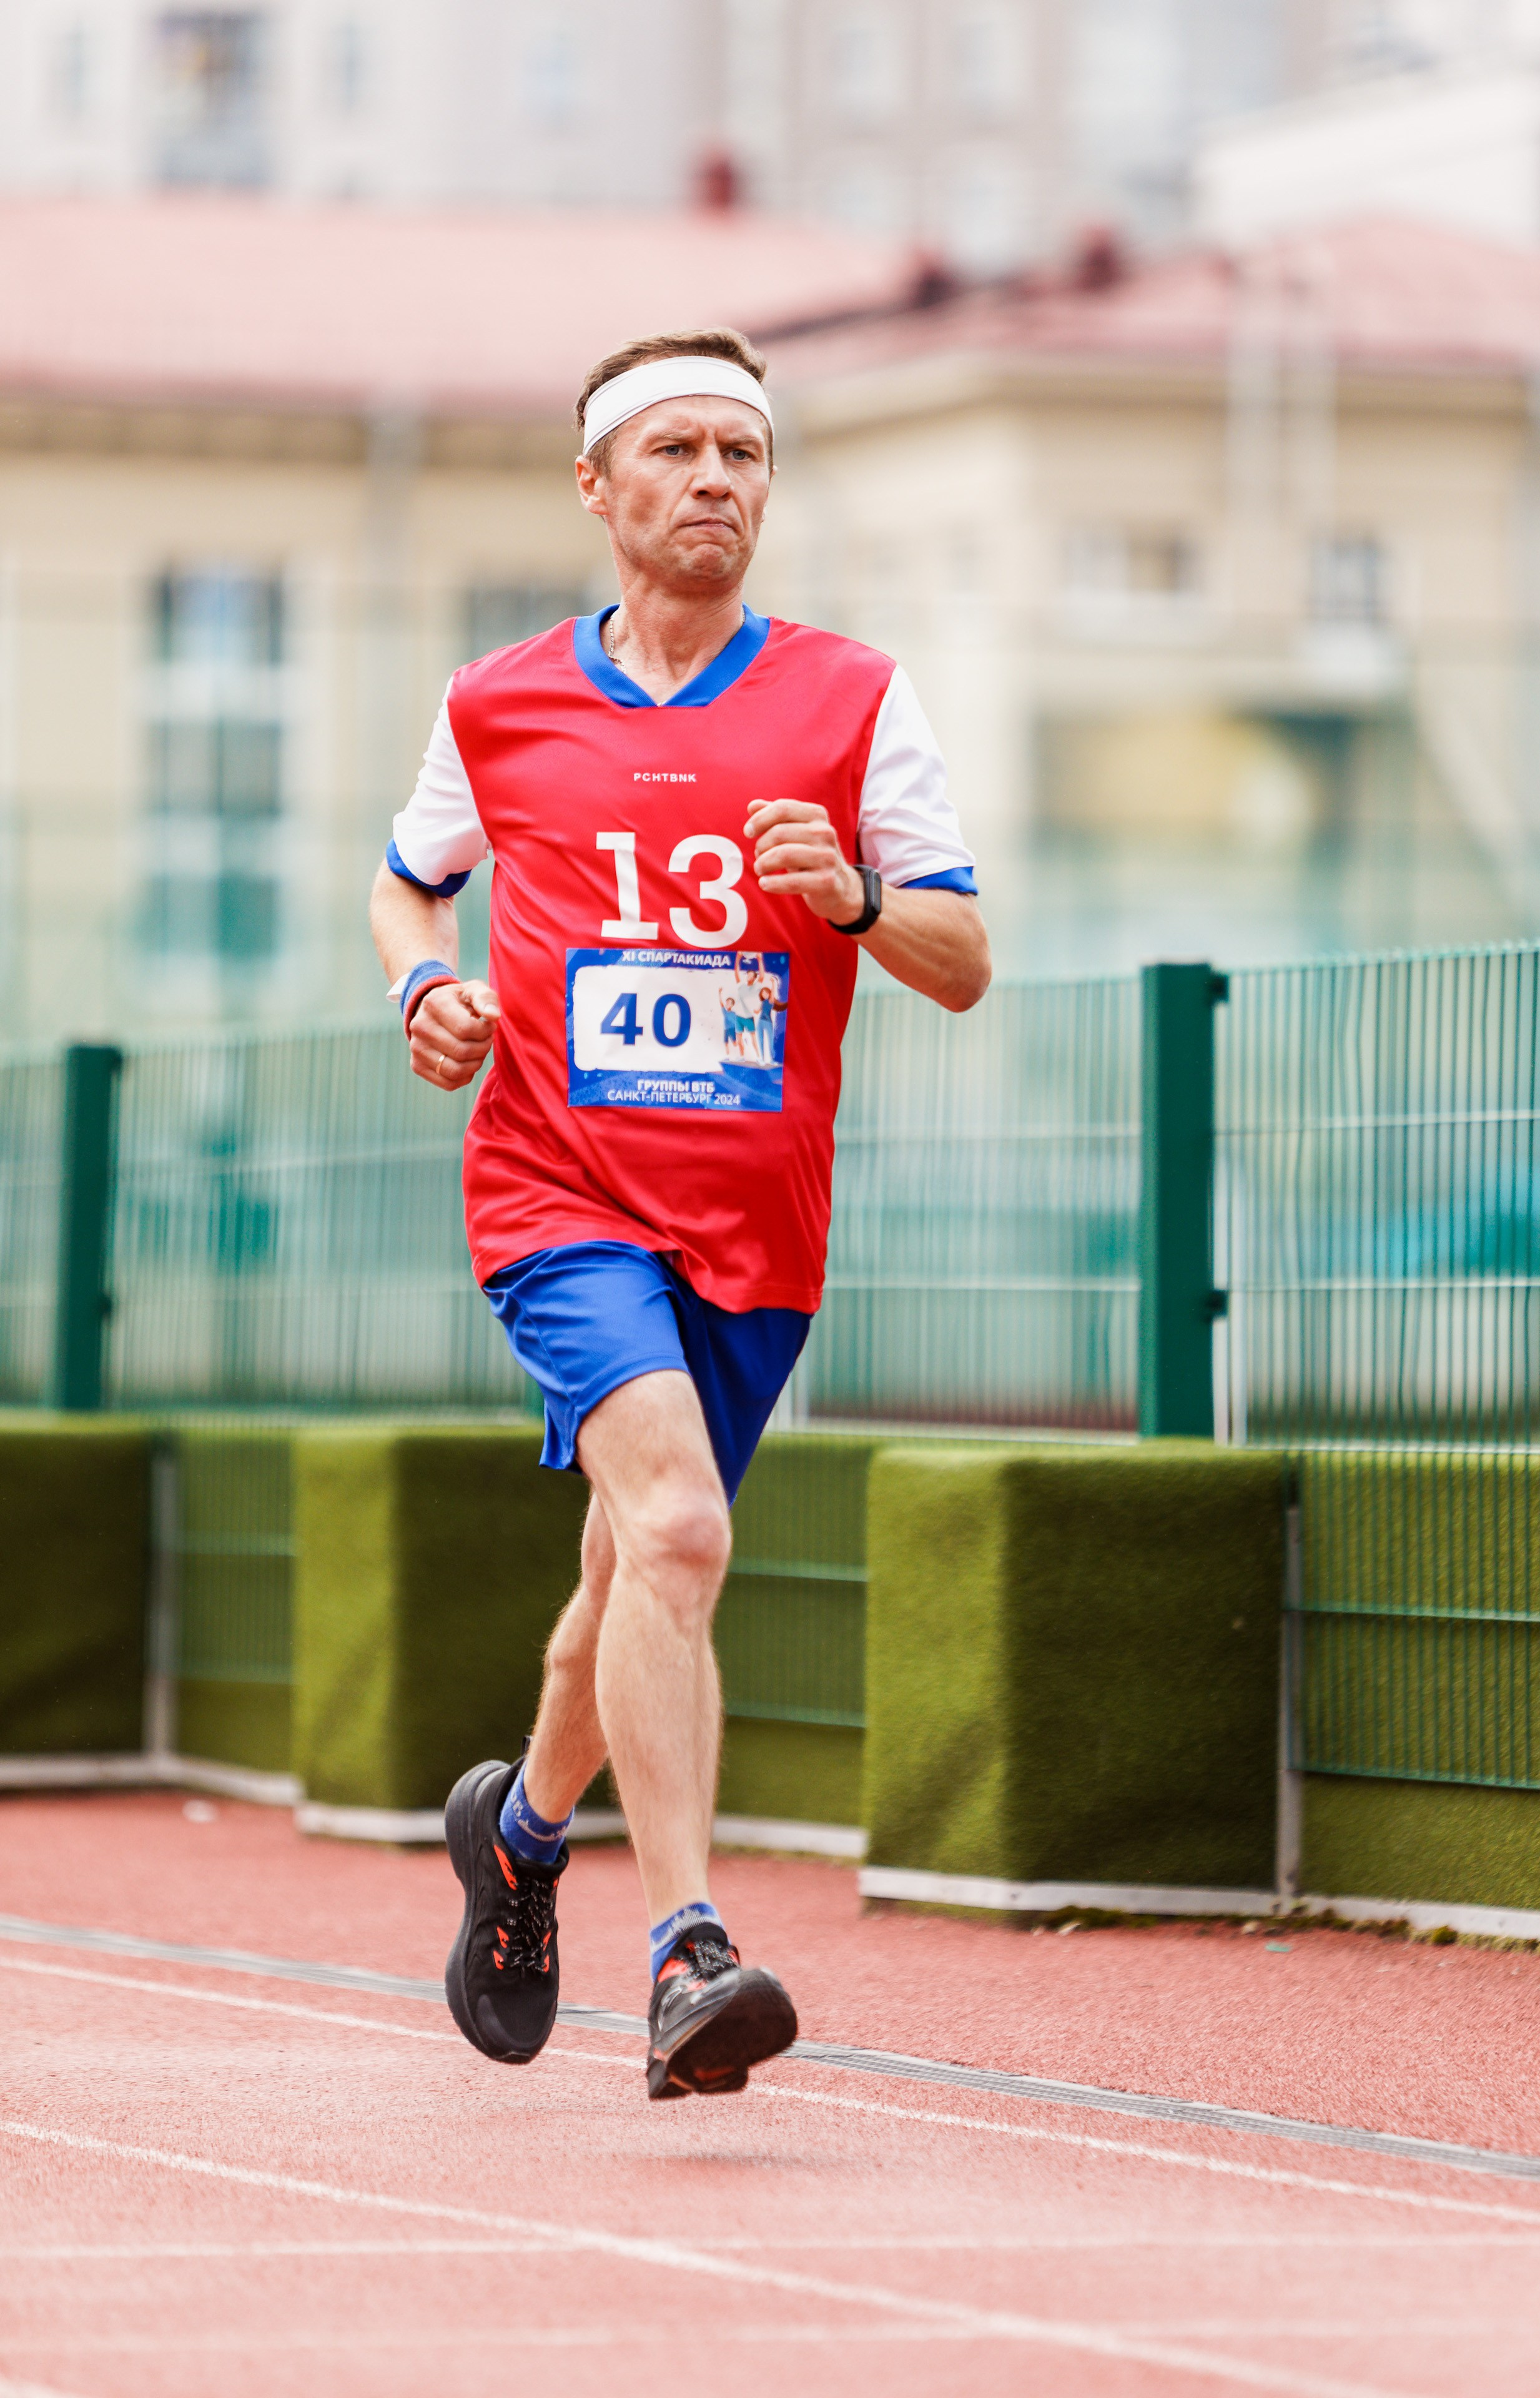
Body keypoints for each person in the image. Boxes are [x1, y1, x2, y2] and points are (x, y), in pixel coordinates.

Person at [369, 325, 989, 2103]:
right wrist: (427, 996)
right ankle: (688, 1948)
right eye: (677, 451)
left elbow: (962, 959)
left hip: (757, 1226)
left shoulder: (857, 698)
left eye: (744, 453)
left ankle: (521, 1838)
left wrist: (861, 899)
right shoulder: (497, 703)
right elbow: (410, 889)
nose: (716, 480)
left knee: (633, 1572)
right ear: (598, 485)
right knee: (684, 1532)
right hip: (557, 1192)